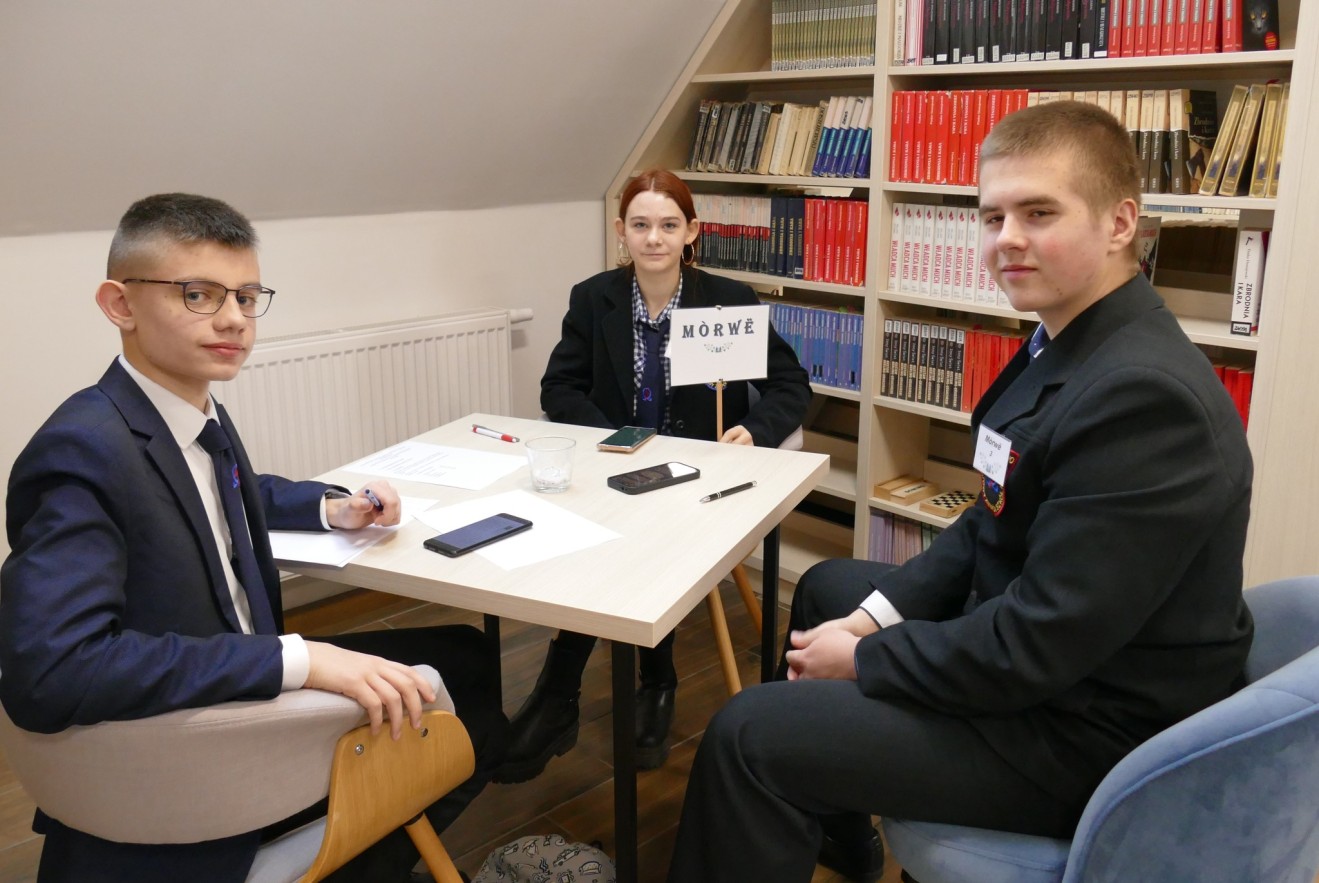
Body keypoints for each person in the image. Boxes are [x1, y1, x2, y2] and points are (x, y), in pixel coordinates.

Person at [666, 101, 1255, 883]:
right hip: (1053, 664)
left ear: (1120, 223)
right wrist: (868, 620)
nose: (1005, 238)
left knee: (748, 733)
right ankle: (835, 833)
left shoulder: (1142, 398)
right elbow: (989, 519)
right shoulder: (1065, 336)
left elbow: (1035, 644)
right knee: (830, 587)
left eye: (1038, 212)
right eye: (991, 216)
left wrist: (867, 658)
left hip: (1090, 732)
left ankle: (790, 777)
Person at [0, 193, 508, 883]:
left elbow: (223, 489)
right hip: (195, 745)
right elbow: (52, 672)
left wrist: (331, 506)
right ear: (120, 305)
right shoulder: (81, 451)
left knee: (468, 658)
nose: (234, 319)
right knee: (466, 709)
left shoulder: (182, 410)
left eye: (245, 296)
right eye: (199, 294)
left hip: (233, 671)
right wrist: (297, 659)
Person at [495, 168, 811, 783]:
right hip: (616, 469)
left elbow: (790, 384)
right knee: (607, 535)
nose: (654, 238)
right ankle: (613, 686)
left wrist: (755, 430)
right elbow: (558, 387)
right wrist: (613, 438)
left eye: (669, 225)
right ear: (622, 231)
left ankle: (578, 691)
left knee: (633, 541)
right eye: (640, 225)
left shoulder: (728, 299)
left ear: (691, 231)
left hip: (697, 475)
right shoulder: (594, 298)